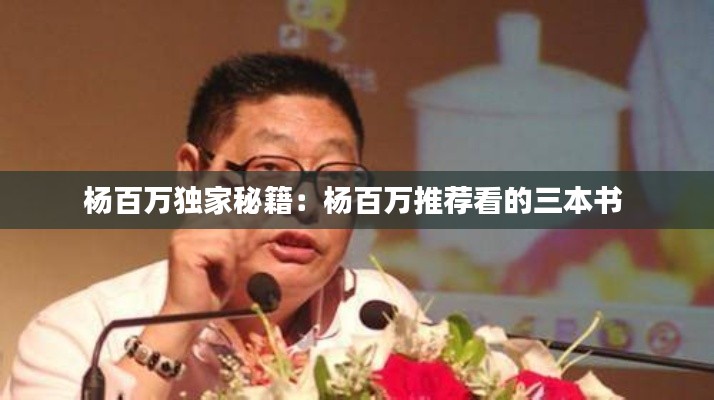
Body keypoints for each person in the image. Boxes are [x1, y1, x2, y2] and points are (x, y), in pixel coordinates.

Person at [2, 53, 420, 399]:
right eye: (270, 170)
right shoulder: (83, 334)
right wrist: (177, 322)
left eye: (336, 177)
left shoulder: (380, 314)